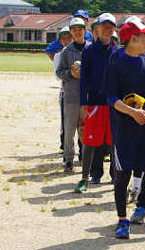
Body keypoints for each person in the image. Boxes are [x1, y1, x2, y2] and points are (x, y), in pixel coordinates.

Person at [104, 18, 145, 239]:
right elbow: (111, 97)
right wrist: (132, 112)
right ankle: (122, 220)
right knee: (123, 174)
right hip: (124, 131)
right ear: (133, 38)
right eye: (144, 36)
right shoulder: (116, 64)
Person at [75, 13, 117, 193]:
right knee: (91, 142)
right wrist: (83, 101)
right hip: (94, 102)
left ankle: (116, 176)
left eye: (110, 26)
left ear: (114, 29)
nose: (107, 29)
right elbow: (84, 78)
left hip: (115, 104)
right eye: (103, 26)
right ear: (97, 29)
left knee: (114, 142)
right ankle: (88, 176)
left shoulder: (118, 51)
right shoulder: (89, 51)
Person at [56, 17, 90, 173]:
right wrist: (70, 73)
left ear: (85, 30)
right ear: (71, 32)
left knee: (87, 129)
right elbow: (59, 72)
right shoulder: (66, 51)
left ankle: (85, 157)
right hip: (71, 96)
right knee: (69, 130)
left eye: (80, 29)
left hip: (88, 97)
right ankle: (69, 160)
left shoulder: (91, 49)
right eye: (74, 30)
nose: (77, 32)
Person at [53, 26, 73, 154]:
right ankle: (64, 145)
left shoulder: (82, 52)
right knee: (65, 120)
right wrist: (71, 73)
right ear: (60, 41)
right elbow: (57, 75)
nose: (67, 40)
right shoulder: (58, 55)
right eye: (64, 38)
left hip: (79, 90)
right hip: (65, 90)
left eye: (69, 37)